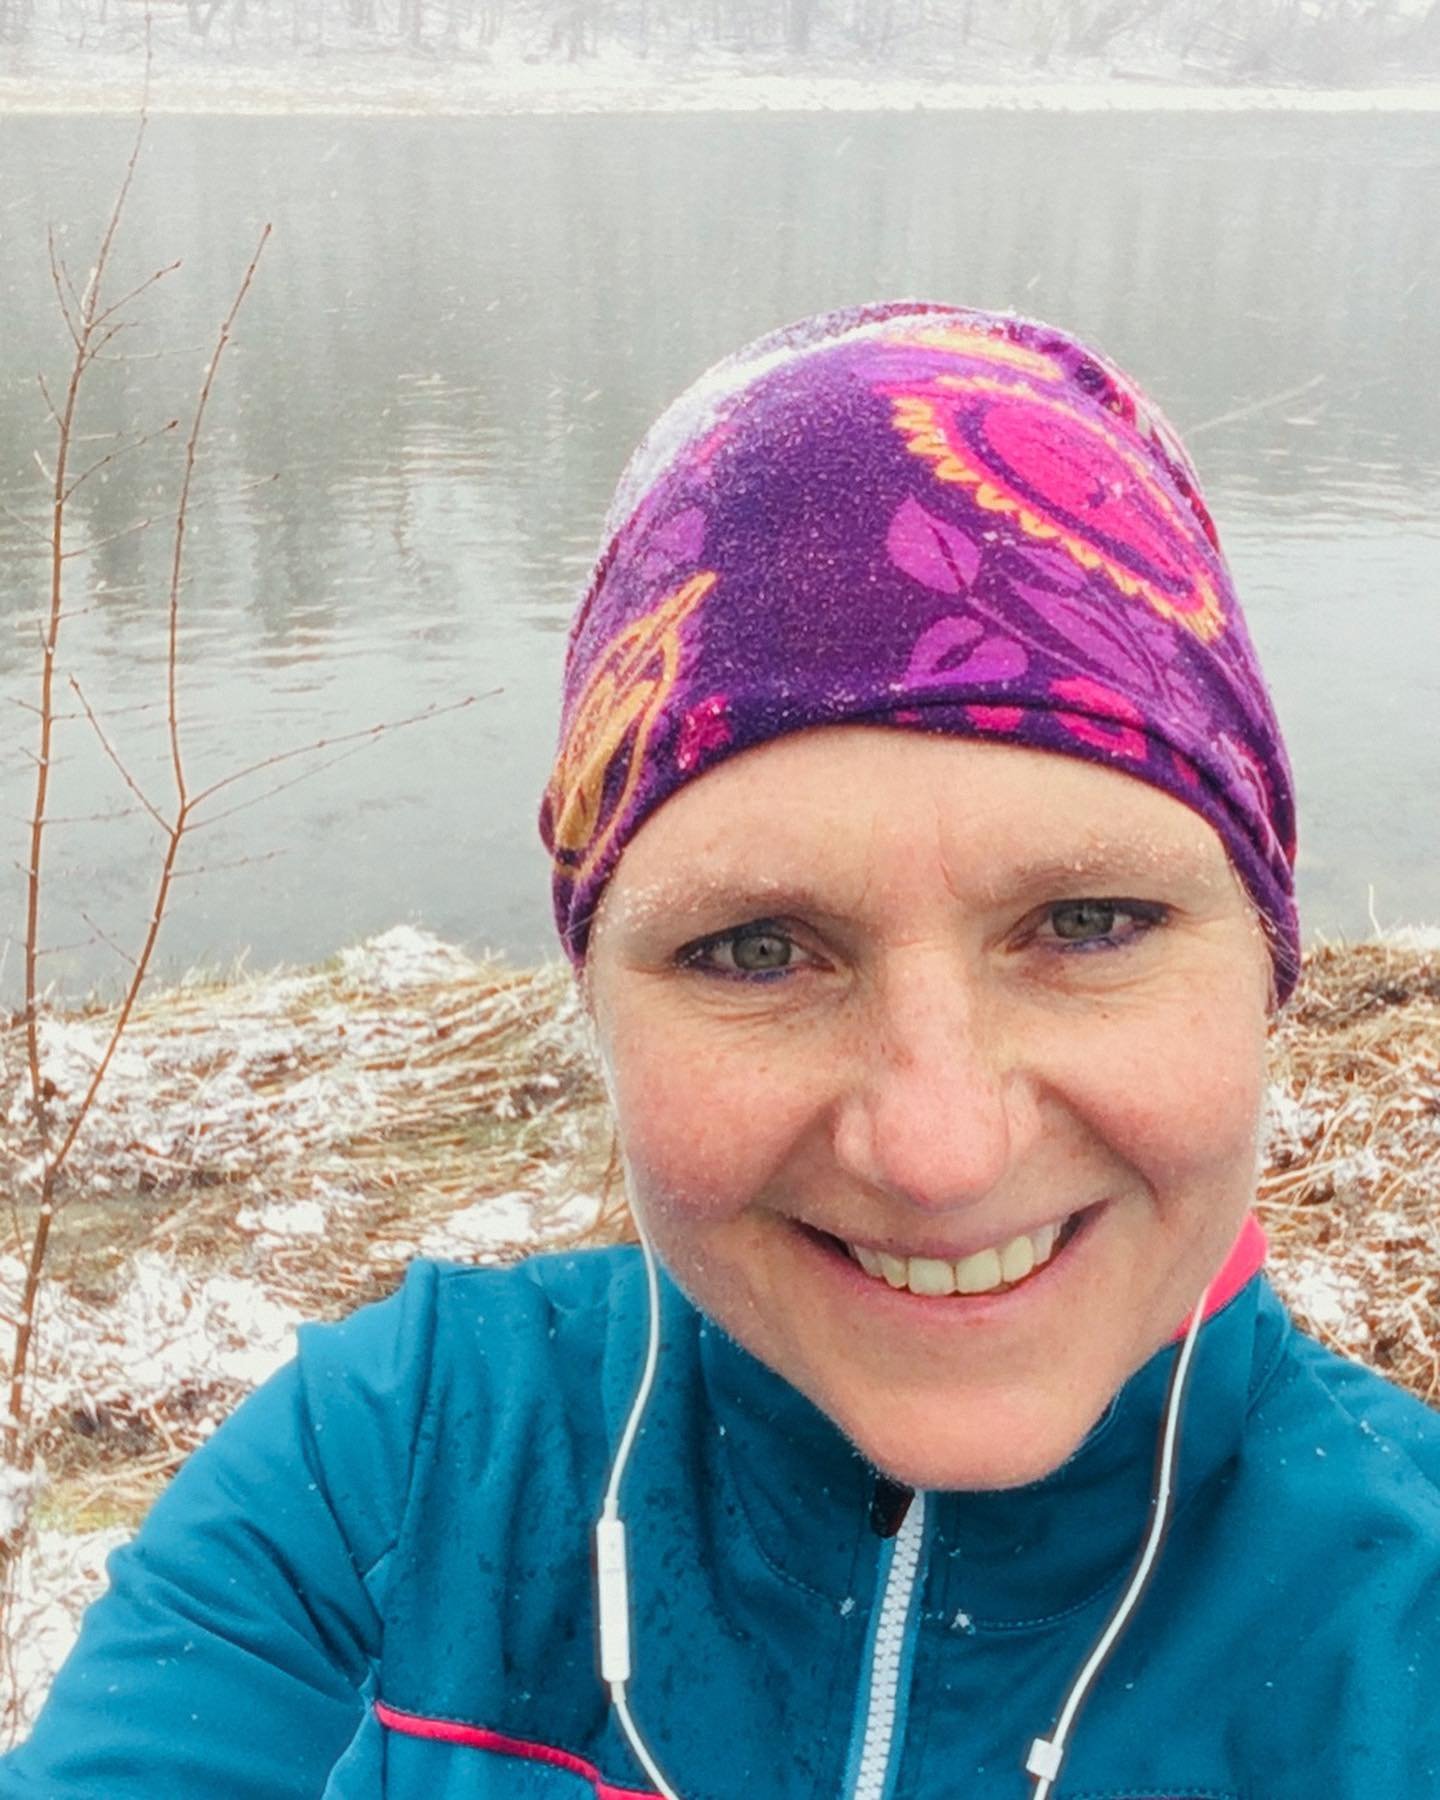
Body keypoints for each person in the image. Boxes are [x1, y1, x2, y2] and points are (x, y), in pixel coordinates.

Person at [3, 302, 1437, 1800]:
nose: (941, 1149)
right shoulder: (391, 1478)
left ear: (1269, 962)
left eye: (1086, 922)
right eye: (756, 951)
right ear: (598, 1003)